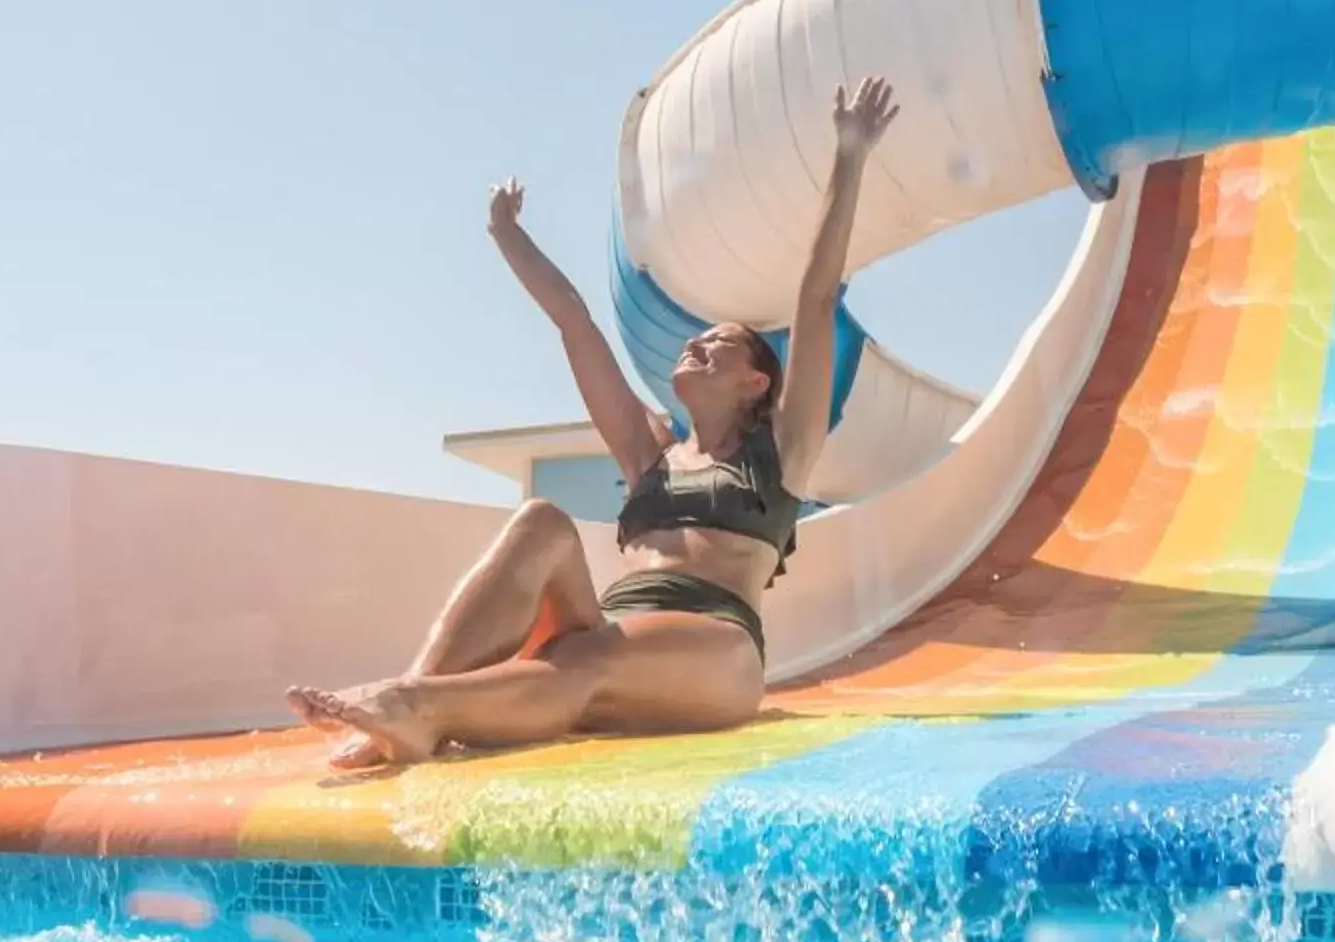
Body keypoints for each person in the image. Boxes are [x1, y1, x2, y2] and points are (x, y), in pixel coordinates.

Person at [286, 76, 903, 768]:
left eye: (719, 344)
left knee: (586, 659)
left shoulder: (782, 452)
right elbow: (574, 323)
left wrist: (850, 155)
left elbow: (816, 299)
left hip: (714, 646)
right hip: (609, 625)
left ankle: (412, 707)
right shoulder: (651, 454)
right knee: (540, 522)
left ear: (756, 381)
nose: (694, 344)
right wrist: (505, 234)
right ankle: (414, 695)